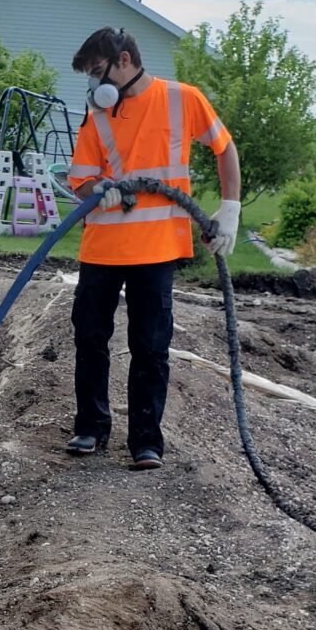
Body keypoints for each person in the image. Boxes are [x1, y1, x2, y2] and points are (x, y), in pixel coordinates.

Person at [64, 26, 242, 470]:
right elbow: (81, 176)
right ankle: (90, 428)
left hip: (158, 249)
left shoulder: (183, 99)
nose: (94, 83)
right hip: (102, 248)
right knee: (90, 340)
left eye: (98, 71)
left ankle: (146, 442)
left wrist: (231, 208)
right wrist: (97, 188)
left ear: (125, 60)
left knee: (151, 348)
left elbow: (225, 148)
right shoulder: (98, 114)